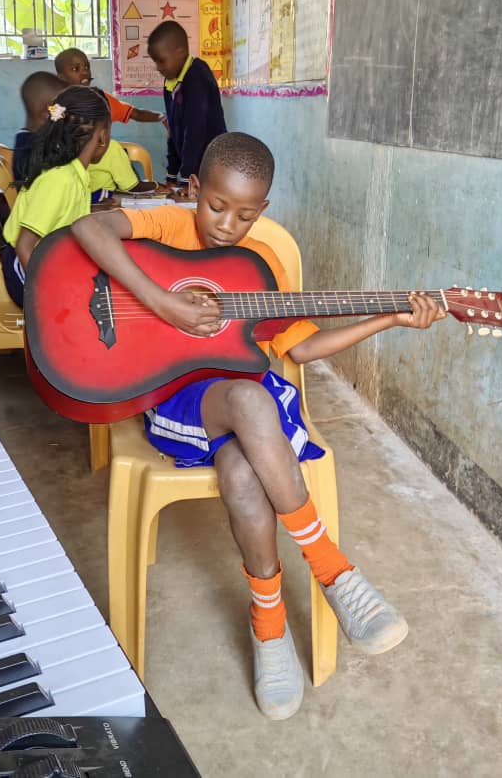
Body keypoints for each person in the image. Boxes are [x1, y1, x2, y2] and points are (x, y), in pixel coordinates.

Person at [69, 133, 445, 720]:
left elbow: (306, 345)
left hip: (253, 414)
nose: (225, 225)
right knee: (246, 400)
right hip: (176, 399)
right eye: (216, 206)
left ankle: (269, 627)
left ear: (262, 211)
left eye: (245, 215)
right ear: (195, 190)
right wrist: (163, 302)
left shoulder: (256, 269)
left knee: (244, 472)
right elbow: (89, 231)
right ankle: (330, 567)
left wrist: (389, 318)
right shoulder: (167, 226)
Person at [1, 86, 110, 304]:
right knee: (85, 304)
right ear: (103, 136)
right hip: (26, 268)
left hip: (48, 260)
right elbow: (25, 246)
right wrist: (50, 295)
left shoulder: (74, 174)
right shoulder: (60, 180)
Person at [146, 21, 226, 185]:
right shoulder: (170, 83)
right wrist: (172, 176)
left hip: (212, 166)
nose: (158, 68)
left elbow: (195, 131)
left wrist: (185, 178)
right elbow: (173, 133)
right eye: (155, 61)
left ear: (180, 52)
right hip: (191, 172)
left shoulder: (197, 76)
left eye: (161, 61)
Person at [54, 48, 165, 125]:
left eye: (86, 67)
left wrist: (163, 116)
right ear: (61, 77)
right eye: (76, 69)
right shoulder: (54, 105)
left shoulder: (103, 100)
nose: (84, 73)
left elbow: (136, 114)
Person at [12, 71, 66, 187]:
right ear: (48, 111)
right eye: (63, 108)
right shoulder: (32, 148)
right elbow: (53, 190)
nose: (66, 115)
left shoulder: (28, 139)